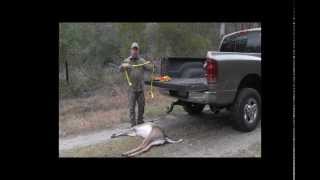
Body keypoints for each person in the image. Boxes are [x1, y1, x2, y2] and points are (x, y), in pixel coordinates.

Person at [119, 42, 154, 127]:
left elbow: (150, 68)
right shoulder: (127, 61)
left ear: (138, 51)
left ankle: (140, 121)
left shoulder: (142, 61)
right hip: (131, 89)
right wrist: (123, 66)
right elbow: (120, 69)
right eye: (133, 49)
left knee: (142, 106)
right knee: (132, 108)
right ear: (131, 50)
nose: (134, 51)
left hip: (140, 88)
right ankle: (133, 124)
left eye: (136, 49)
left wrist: (152, 64)